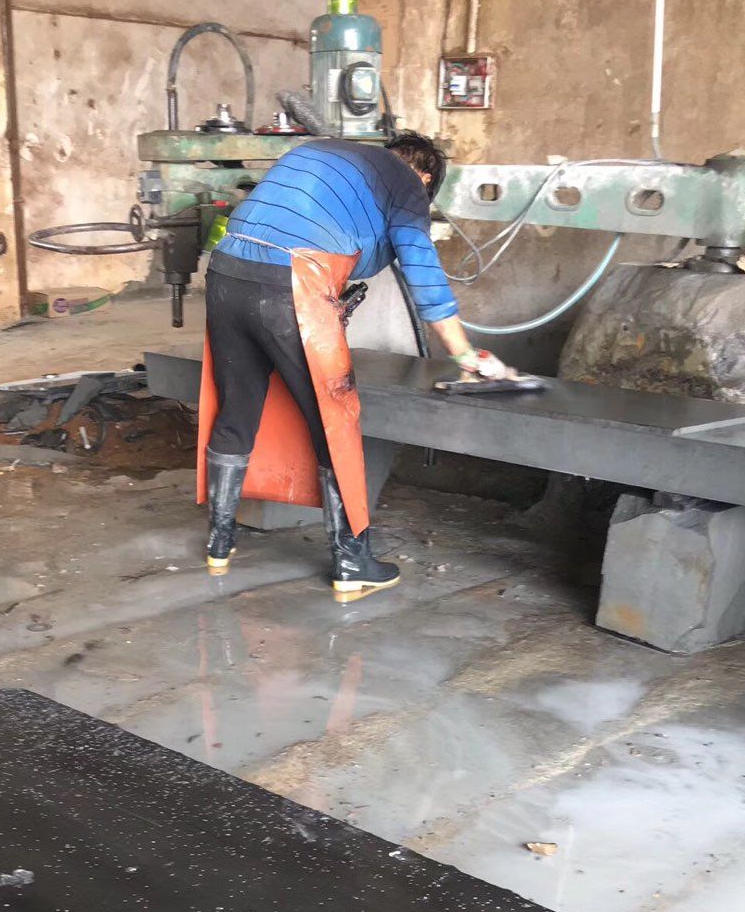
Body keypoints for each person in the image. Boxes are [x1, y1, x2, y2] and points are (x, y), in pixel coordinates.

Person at [197, 131, 513, 599]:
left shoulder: (325, 153)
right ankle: (352, 562)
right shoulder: (407, 183)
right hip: (292, 281)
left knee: (237, 410)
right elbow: (423, 271)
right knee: (335, 423)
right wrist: (466, 355)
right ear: (425, 177)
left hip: (226, 273)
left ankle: (219, 545)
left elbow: (309, 227)